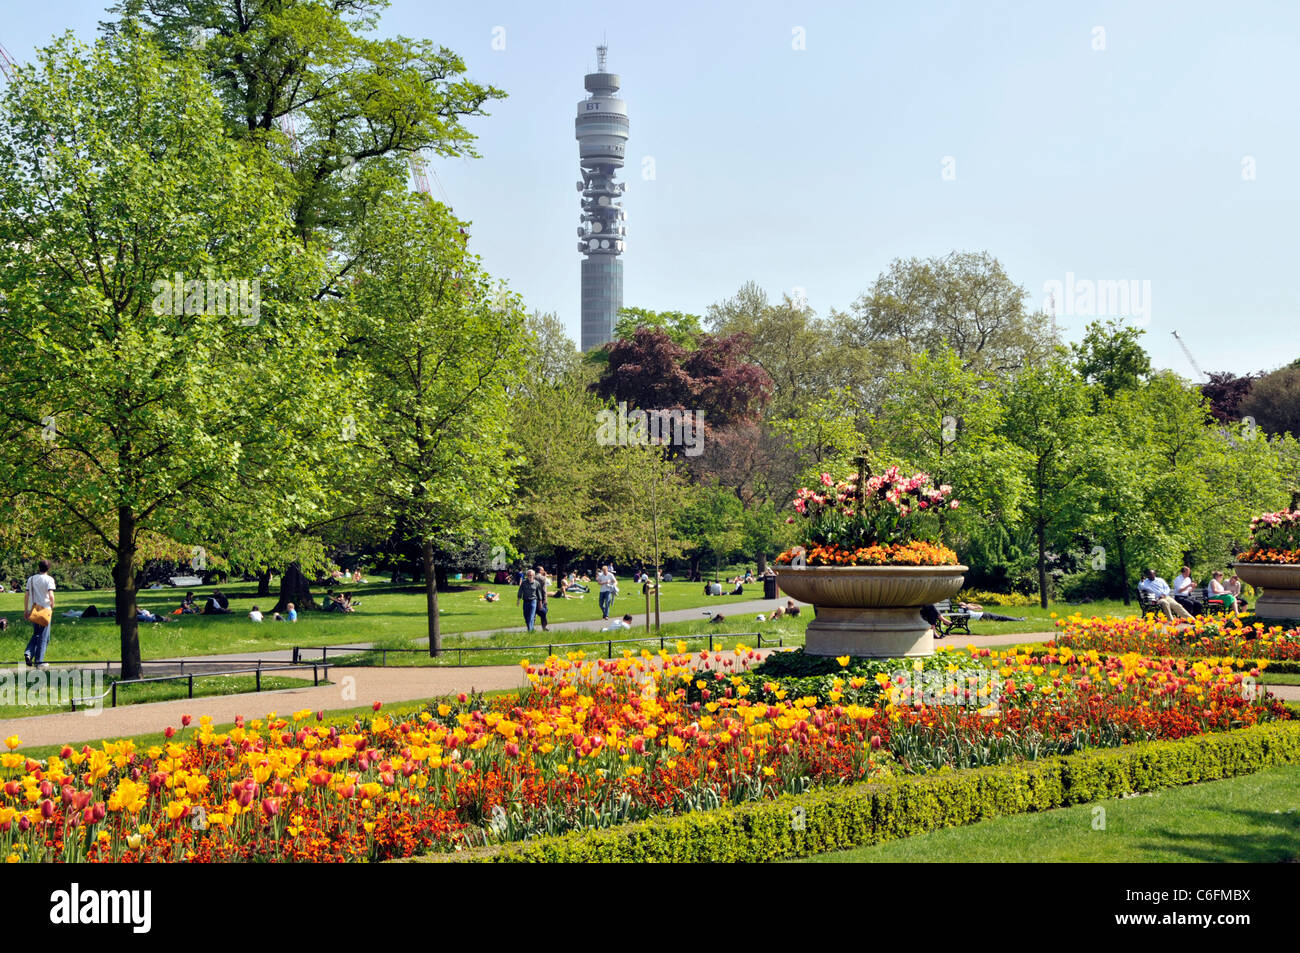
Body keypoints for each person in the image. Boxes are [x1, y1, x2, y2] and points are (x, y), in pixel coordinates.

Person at [23, 559, 56, 670]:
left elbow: (27, 595)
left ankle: (28, 653)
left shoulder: (31, 579)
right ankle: (39, 661)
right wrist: (52, 605)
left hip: (34, 610)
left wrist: (26, 610)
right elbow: (51, 595)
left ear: (39, 567)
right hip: (45, 610)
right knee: (44, 636)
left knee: (36, 634)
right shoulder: (49, 579)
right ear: (48, 568)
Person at [534, 567, 551, 632]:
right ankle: (544, 627)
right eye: (543, 570)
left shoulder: (532, 577)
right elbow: (544, 590)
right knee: (543, 613)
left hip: (533, 598)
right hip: (541, 598)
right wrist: (545, 599)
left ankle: (531, 628)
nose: (544, 571)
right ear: (540, 571)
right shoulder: (542, 578)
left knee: (533, 613)